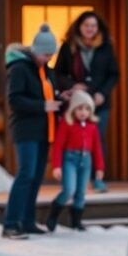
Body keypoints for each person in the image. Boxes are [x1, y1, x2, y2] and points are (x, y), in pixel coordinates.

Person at [2, 24, 61, 239]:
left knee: (36, 176)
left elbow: (49, 94)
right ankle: (10, 223)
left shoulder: (45, 71)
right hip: (25, 129)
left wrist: (60, 98)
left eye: (51, 55)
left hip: (45, 129)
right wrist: (42, 106)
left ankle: (27, 221)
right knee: (25, 174)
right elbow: (14, 99)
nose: (48, 59)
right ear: (35, 50)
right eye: (45, 54)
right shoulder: (19, 68)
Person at [54, 11, 119, 193]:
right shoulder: (69, 47)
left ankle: (97, 179)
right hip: (77, 104)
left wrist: (103, 93)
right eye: (86, 25)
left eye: (93, 26)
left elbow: (114, 74)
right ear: (79, 27)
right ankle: (72, 180)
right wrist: (73, 85)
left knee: (97, 139)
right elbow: (58, 73)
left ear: (98, 29)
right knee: (73, 139)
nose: (90, 29)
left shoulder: (106, 47)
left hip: (99, 103)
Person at [47, 90, 104, 232]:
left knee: (81, 192)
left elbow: (97, 149)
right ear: (73, 109)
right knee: (69, 190)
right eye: (79, 108)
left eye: (86, 109)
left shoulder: (92, 127)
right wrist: (56, 166)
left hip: (86, 161)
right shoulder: (67, 124)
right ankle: (53, 214)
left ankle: (76, 221)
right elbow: (58, 146)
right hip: (70, 160)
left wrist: (99, 168)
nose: (83, 112)